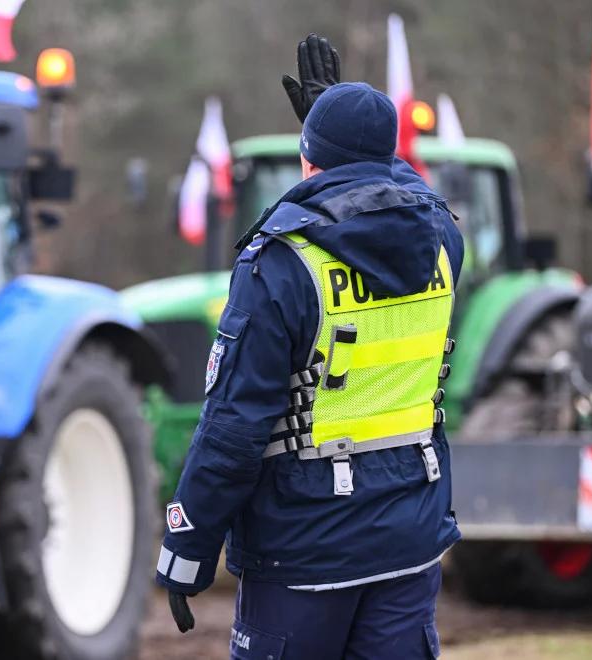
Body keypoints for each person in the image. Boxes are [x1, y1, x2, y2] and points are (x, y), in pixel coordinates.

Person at [155, 34, 464, 659]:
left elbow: (233, 428)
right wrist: (349, 143)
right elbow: (391, 185)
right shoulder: (443, 243)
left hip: (303, 548)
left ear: (307, 160)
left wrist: (187, 549)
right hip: (410, 537)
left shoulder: (281, 263)